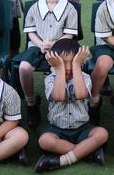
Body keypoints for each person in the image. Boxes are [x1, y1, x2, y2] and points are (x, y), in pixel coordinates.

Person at [13, 0, 78, 128]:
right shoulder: (35, 8)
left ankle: (58, 104)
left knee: (60, 69)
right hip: (37, 45)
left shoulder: (69, 9)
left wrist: (53, 45)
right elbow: (31, 32)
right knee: (24, 68)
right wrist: (41, 44)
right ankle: (31, 103)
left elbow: (69, 35)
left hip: (60, 47)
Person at [34, 39, 108, 172]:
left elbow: (81, 94)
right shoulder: (50, 78)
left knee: (102, 133)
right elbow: (58, 96)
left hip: (82, 128)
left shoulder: (85, 77)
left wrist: (77, 66)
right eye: (62, 62)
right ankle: (87, 152)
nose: (68, 67)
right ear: (55, 63)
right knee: (44, 141)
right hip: (57, 129)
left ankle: (62, 160)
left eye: (72, 62)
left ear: (79, 63)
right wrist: (60, 69)